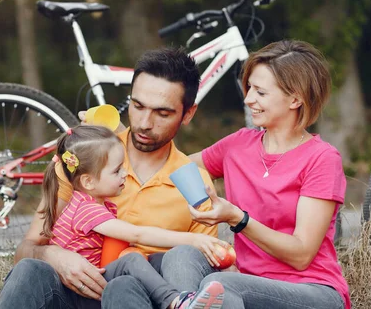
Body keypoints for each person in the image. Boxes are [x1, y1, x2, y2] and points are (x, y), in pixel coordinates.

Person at [106, 40, 351, 309]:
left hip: (311, 292)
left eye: (260, 92)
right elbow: (167, 164)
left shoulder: (321, 158)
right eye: (248, 89)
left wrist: (238, 218)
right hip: (245, 287)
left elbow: (301, 254)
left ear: (295, 99)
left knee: (225, 286)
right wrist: (107, 147)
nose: (248, 100)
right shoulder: (238, 146)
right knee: (182, 255)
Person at [0, 47, 220, 309]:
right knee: (30, 270)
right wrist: (52, 255)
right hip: (69, 295)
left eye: (162, 113)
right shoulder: (87, 159)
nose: (144, 123)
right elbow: (26, 249)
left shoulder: (196, 184)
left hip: (136, 298)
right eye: (137, 106)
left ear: (188, 114)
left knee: (124, 286)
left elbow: (201, 265)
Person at [36, 125, 226, 309]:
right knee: (132, 260)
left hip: (94, 277)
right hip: (80, 291)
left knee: (159, 259)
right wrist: (193, 239)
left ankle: (188, 296)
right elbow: (137, 234)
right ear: (88, 181)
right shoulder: (86, 209)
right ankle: (176, 302)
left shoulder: (99, 203)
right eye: (117, 170)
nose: (125, 174)